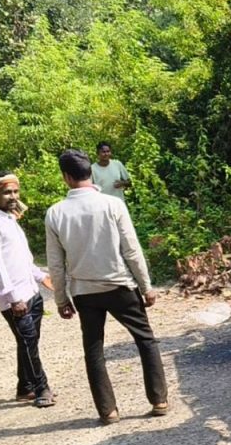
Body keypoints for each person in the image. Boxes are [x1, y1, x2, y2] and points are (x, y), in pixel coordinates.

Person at [46, 149, 167, 424]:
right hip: (121, 286)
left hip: (84, 293)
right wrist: (146, 287)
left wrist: (61, 299)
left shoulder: (55, 213)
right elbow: (132, 250)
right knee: (145, 340)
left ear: (66, 177)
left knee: (93, 348)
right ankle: (159, 400)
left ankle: (108, 411)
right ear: (91, 171)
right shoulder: (113, 205)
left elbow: (56, 264)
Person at [0, 173, 56, 408]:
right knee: (28, 342)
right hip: (15, 299)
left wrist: (41, 277)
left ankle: (25, 387)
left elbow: (20, 259)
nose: (13, 197)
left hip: (31, 291)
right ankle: (42, 388)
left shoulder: (9, 219)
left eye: (15, 192)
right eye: (6, 193)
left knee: (28, 343)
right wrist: (13, 298)